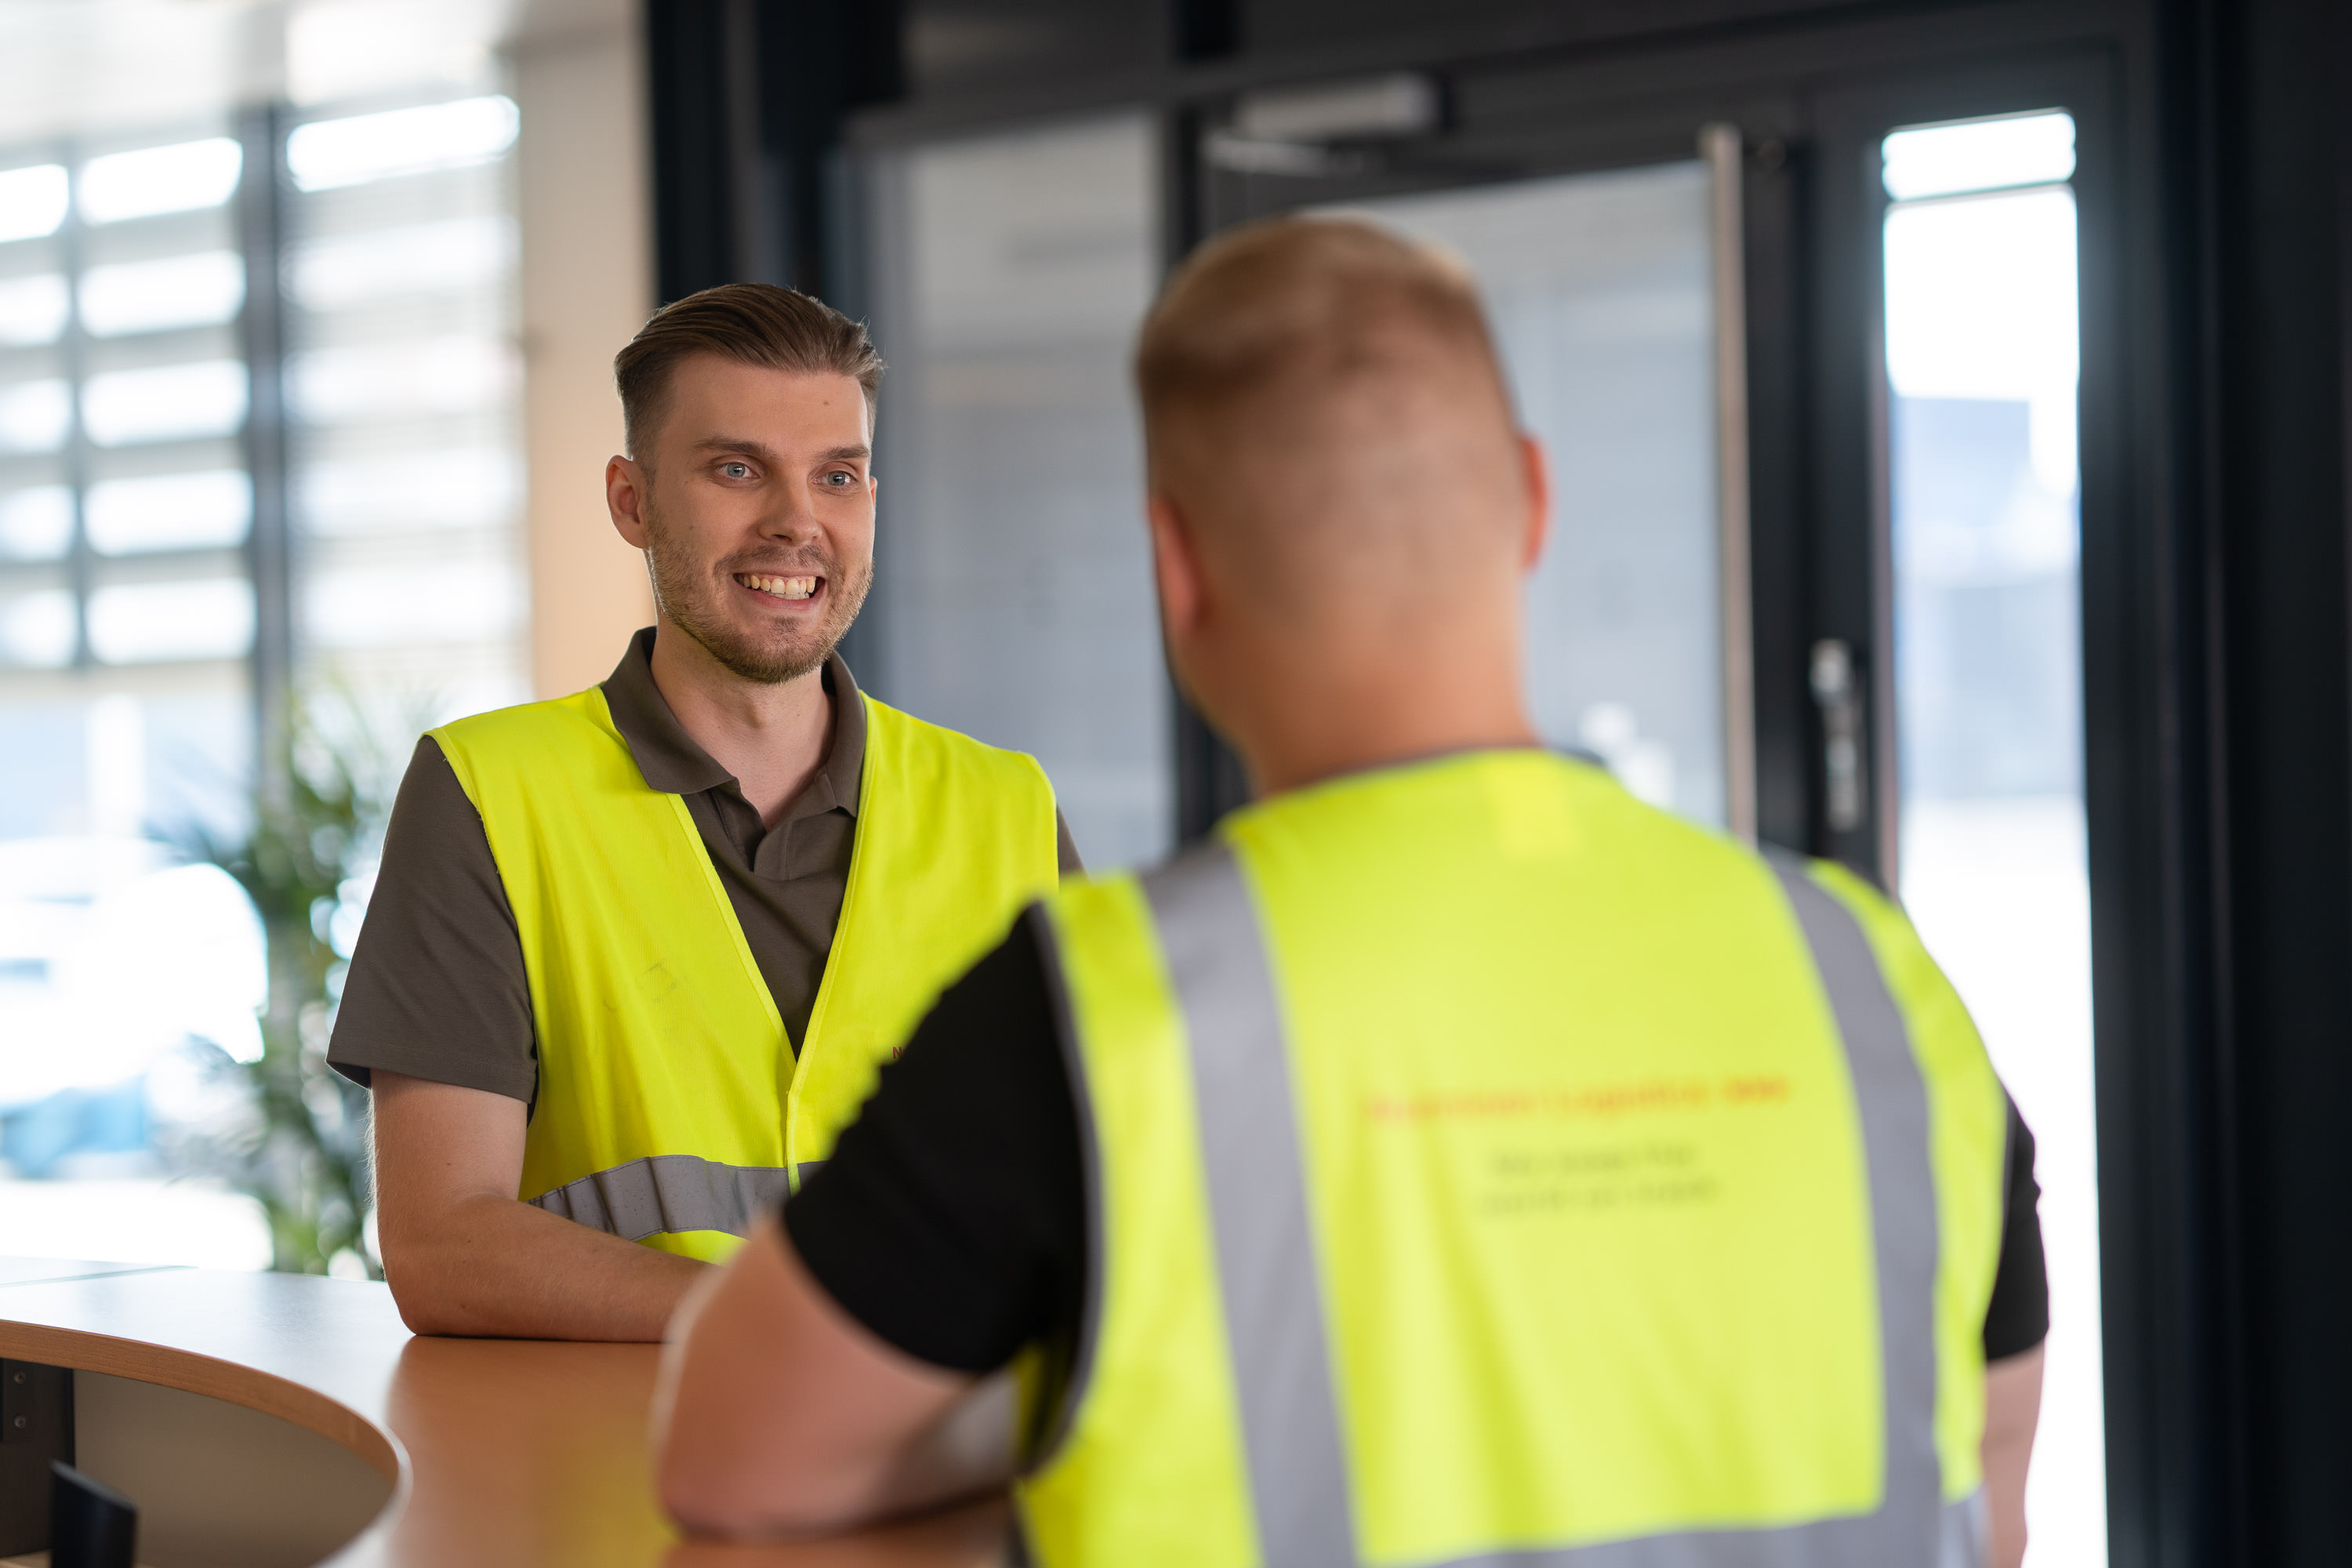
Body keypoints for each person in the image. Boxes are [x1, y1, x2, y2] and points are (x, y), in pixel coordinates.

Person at [652, 221, 2049, 1566]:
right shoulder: (1871, 976)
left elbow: (733, 1458)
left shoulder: (1102, 1011)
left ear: (1176, 568)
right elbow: (1988, 1510)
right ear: (1534, 503)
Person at [328, 285, 1080, 1341]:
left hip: (952, 1438)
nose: (797, 522)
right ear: (632, 502)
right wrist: (793, 1329)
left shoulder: (1009, 810)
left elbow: (1097, 1197)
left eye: (837, 476)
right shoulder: (488, 793)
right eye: (737, 469)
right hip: (613, 1443)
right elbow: (444, 1244)